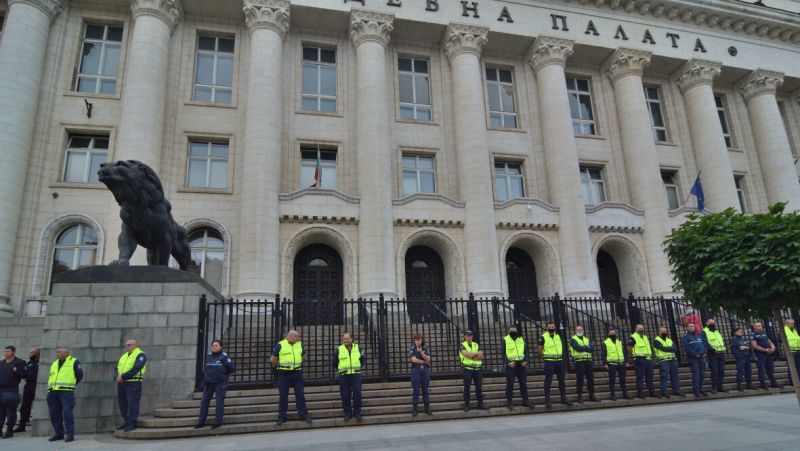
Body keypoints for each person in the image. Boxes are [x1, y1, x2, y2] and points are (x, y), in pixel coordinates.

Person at [271, 330, 311, 425]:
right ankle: (282, 417)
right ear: (290, 336)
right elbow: (273, 359)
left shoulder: (300, 344)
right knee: (283, 396)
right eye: (296, 336)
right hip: (284, 374)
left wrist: (297, 361)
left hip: (297, 373)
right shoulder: (280, 345)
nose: (298, 338)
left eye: (298, 336)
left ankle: (303, 415)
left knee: (300, 395)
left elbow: (304, 357)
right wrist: (281, 366)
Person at [195, 340, 235, 429]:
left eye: (216, 345)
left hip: (220, 383)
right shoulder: (209, 356)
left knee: (219, 401)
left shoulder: (224, 356)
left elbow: (231, 369)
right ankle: (201, 421)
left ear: (221, 347)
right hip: (209, 383)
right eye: (213, 345)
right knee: (204, 402)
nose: (214, 347)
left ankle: (218, 422)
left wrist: (223, 376)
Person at [47, 346, 82, 442]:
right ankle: (59, 433)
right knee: (54, 414)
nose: (57, 353)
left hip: (66, 392)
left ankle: (69, 434)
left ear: (66, 353)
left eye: (59, 352)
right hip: (53, 392)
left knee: (67, 413)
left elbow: (79, 375)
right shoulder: (54, 363)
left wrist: (71, 385)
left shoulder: (74, 361)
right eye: (56, 352)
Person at [114, 339, 147, 432]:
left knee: (132, 403)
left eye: (129, 345)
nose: (127, 346)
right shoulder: (124, 356)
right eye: (126, 345)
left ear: (135, 345)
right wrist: (116, 377)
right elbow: (117, 368)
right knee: (122, 403)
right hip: (122, 383)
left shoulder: (140, 355)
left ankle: (132, 423)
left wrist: (123, 376)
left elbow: (136, 368)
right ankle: (126, 421)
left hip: (133, 383)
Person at [538, 321, 571, 408]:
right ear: (546, 327)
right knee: (548, 381)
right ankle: (547, 400)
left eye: (553, 326)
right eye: (550, 326)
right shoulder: (543, 337)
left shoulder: (558, 336)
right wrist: (544, 357)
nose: (551, 328)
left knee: (562, 381)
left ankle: (563, 398)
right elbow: (539, 350)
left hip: (559, 361)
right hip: (549, 361)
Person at [335, 332, 364, 422]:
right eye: (344, 339)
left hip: (356, 375)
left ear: (351, 339)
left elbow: (362, 360)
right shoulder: (339, 349)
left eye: (347, 339)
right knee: (345, 395)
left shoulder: (358, 347)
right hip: (344, 376)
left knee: (357, 393)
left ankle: (357, 413)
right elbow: (334, 362)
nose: (345, 340)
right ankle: (348, 413)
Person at [0, 346, 27, 439]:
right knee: (1, 411)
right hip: (1, 389)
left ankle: (9, 431)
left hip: (11, 389)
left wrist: (17, 371)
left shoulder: (19, 362)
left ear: (14, 352)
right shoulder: (2, 362)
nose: (6, 353)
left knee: (10, 411)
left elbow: (25, 375)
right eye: (5, 351)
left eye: (8, 351)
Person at [503, 325, 530, 410]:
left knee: (523, 384)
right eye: (512, 331)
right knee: (510, 384)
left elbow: (526, 351)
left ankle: (525, 401)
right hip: (511, 365)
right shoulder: (505, 340)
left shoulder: (521, 339)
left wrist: (526, 360)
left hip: (521, 365)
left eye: (515, 330)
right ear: (508, 331)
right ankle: (509, 402)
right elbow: (503, 353)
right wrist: (508, 362)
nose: (513, 332)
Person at [627, 324, 658, 399]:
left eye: (642, 328)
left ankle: (651, 391)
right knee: (640, 377)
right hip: (639, 359)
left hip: (648, 359)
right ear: (636, 329)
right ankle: (640, 393)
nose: (641, 329)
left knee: (650, 377)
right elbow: (629, 348)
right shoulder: (632, 337)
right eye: (639, 328)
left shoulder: (645, 337)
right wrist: (635, 356)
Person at [459, 330, 487, 411]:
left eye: (471, 335)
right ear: (464, 336)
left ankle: (480, 403)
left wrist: (471, 355)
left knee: (479, 387)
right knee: (467, 387)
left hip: (477, 369)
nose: (469, 337)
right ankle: (467, 404)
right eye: (468, 335)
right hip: (467, 369)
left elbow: (481, 356)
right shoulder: (462, 345)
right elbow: (466, 354)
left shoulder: (476, 344)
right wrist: (475, 354)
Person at [13, 347, 39, 433]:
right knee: (25, 406)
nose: (30, 354)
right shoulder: (29, 364)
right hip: (29, 385)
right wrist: (17, 371)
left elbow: (28, 375)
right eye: (30, 352)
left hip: (37, 385)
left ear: (37, 354)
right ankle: (22, 425)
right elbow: (25, 375)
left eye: (32, 352)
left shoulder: (37, 364)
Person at [653, 326, 683, 398]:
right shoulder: (656, 340)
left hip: (673, 360)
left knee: (675, 376)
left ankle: (676, 390)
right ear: (659, 332)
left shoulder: (669, 339)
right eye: (662, 331)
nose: (664, 332)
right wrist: (670, 348)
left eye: (665, 331)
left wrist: (668, 349)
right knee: (664, 377)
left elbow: (676, 349)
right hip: (664, 361)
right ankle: (664, 391)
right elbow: (662, 348)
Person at [569, 325, 597, 403]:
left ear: (583, 330)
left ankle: (592, 395)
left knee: (590, 379)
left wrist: (583, 347)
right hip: (579, 361)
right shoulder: (573, 339)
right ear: (575, 331)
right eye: (577, 330)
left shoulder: (586, 339)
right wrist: (586, 347)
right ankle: (579, 396)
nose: (579, 331)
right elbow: (577, 348)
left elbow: (592, 349)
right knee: (580, 379)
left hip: (588, 361)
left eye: (580, 330)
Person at [749, 322, 781, 390]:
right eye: (758, 326)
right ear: (754, 327)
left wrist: (773, 348)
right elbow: (754, 346)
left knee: (770, 368)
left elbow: (770, 342)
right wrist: (765, 350)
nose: (760, 327)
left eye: (760, 326)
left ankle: (773, 383)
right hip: (760, 354)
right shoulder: (753, 335)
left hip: (768, 354)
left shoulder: (764, 334)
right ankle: (763, 384)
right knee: (762, 369)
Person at [601, 328, 630, 401]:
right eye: (611, 334)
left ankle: (625, 393)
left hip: (621, 363)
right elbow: (603, 353)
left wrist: (626, 361)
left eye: (614, 333)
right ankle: (613, 394)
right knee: (612, 379)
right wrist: (605, 363)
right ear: (608, 334)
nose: (612, 335)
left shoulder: (619, 341)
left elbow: (623, 352)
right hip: (611, 364)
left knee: (623, 379)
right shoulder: (605, 342)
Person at [702, 319, 727, 393]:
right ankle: (714, 387)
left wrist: (723, 348)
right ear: (706, 323)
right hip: (713, 354)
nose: (712, 323)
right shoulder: (704, 331)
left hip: (721, 353)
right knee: (714, 371)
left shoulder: (716, 331)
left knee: (721, 370)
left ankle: (720, 386)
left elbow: (721, 341)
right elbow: (705, 343)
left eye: (713, 322)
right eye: (710, 322)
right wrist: (713, 350)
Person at [408, 334, 431, 416]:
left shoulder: (426, 348)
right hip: (416, 371)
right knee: (416, 390)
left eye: (419, 340)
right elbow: (414, 360)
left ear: (422, 340)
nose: (418, 341)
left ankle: (427, 408)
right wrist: (423, 361)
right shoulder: (412, 349)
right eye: (416, 340)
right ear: (414, 341)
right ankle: (415, 408)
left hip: (425, 371)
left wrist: (421, 353)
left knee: (425, 389)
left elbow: (428, 359)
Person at [682, 323, 707, 397]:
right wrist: (695, 354)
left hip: (701, 358)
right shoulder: (686, 337)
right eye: (690, 326)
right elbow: (687, 348)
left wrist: (703, 353)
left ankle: (700, 389)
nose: (692, 327)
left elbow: (704, 345)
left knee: (702, 374)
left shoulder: (698, 336)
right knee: (696, 374)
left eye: (693, 326)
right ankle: (696, 390)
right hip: (693, 358)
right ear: (687, 328)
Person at [784, 319, 800, 386]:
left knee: (798, 367)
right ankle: (792, 381)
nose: (792, 325)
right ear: (787, 324)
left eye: (793, 323)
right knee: (792, 367)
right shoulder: (785, 330)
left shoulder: (794, 330)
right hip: (790, 352)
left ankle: (798, 380)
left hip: (797, 351)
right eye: (790, 323)